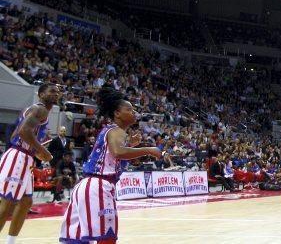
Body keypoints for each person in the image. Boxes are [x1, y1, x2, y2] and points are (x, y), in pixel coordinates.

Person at [59, 87, 162, 243]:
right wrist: (147, 150)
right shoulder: (116, 130)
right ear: (117, 113)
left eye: (134, 109)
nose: (133, 112)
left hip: (86, 186)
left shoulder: (112, 131)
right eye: (129, 109)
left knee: (77, 240)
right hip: (98, 186)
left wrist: (132, 147)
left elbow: (114, 159)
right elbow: (118, 152)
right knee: (107, 238)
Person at [0, 83, 59, 244]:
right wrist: (44, 151)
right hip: (18, 157)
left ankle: (10, 242)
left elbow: (14, 134)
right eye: (52, 91)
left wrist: (34, 152)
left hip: (24, 157)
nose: (56, 94)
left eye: (58, 92)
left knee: (26, 202)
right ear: (41, 94)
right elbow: (23, 131)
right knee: (7, 204)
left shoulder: (41, 111)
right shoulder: (39, 109)